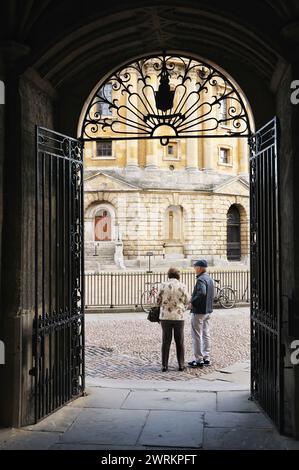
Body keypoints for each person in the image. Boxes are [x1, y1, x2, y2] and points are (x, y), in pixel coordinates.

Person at [157, 267, 189, 372]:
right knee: (179, 341)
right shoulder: (182, 286)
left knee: (166, 341)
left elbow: (158, 300)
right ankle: (181, 364)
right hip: (178, 317)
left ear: (169, 275)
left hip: (165, 316)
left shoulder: (162, 285)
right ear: (178, 275)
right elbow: (187, 300)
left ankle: (164, 365)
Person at [188, 259, 214, 368]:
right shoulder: (209, 279)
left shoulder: (201, 280)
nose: (194, 269)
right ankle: (206, 357)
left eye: (195, 267)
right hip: (208, 311)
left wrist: (193, 302)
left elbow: (202, 292)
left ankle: (199, 359)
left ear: (199, 268)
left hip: (199, 311)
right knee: (206, 334)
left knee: (197, 336)